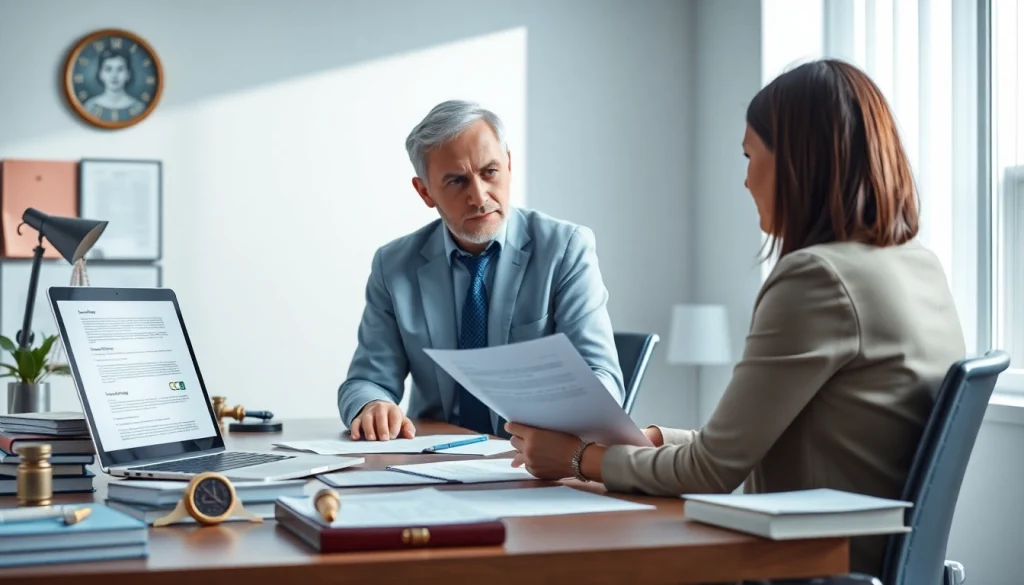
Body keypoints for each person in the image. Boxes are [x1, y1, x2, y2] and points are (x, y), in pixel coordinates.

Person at [504, 59, 966, 577]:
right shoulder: (918, 266)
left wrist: (575, 459)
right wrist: (651, 439)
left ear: (797, 161)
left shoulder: (817, 279)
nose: (745, 180)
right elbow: (739, 445)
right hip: (871, 560)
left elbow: (712, 471)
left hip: (808, 565)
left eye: (750, 155)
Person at [337, 99, 624, 441]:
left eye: (490, 172)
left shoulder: (565, 249)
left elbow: (601, 379)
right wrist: (372, 405)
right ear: (425, 192)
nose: (479, 196)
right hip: (432, 456)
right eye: (457, 181)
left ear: (509, 165)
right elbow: (366, 380)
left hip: (532, 455)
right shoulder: (394, 265)